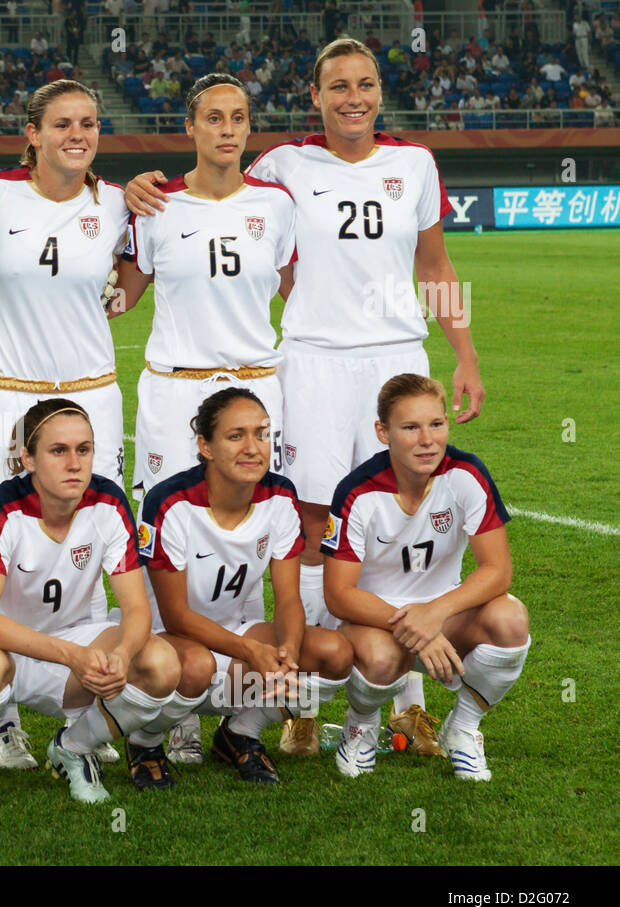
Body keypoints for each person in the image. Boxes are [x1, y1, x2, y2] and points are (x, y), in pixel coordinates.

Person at [124, 38, 485, 752]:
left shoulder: (413, 164)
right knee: (316, 519)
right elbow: (227, 208)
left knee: (397, 515)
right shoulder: (282, 166)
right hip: (313, 363)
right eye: (338, 86)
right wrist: (136, 189)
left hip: (396, 359)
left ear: (381, 92)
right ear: (314, 97)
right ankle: (307, 702)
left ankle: (402, 696)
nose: (354, 97)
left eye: (366, 84)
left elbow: (437, 263)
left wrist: (464, 352)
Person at [112, 73, 295, 765]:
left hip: (254, 391)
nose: (227, 129)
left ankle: (244, 708)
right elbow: (123, 294)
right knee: (168, 537)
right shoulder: (156, 205)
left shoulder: (277, 207)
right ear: (189, 127)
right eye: (213, 117)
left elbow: (292, 290)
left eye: (239, 117)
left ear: (250, 129)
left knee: (249, 537)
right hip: (174, 393)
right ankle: (174, 702)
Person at [0, 79, 130, 771]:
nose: (77, 134)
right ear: (31, 132)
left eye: (89, 123)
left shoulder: (121, 203)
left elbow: (132, 277)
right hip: (3, 396)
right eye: (62, 122)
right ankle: (0, 719)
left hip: (91, 395)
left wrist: (110, 303)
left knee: (93, 543)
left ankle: (82, 705)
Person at [0, 399, 180, 808]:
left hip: (68, 638)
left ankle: (73, 746)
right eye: (58, 451)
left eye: (83, 450)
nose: (74, 463)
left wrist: (121, 654)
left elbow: (137, 608)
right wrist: (72, 656)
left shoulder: (109, 503)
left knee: (159, 663)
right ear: (28, 458)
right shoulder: (3, 506)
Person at [139, 388, 352, 784]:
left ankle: (240, 733)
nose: (253, 447)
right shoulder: (170, 502)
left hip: (236, 634)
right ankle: (145, 740)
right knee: (196, 665)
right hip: (166, 643)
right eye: (236, 436)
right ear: (205, 445)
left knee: (332, 652)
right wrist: (251, 651)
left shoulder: (280, 495)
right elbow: (175, 615)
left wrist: (287, 651)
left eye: (262, 433)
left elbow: (288, 598)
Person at [324, 375, 529, 781]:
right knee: (382, 658)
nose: (427, 440)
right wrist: (416, 625)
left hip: (444, 617)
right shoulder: (357, 491)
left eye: (437, 424)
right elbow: (339, 594)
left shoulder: (467, 473)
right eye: (410, 427)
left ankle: (463, 729)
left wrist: (434, 614)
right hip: (372, 622)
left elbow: (497, 570)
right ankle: (360, 727)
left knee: (511, 619)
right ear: (383, 432)